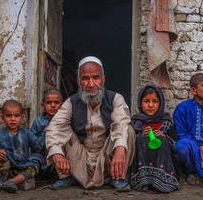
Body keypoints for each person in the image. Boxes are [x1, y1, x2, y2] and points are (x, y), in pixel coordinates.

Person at [45, 56, 135, 191]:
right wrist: (57, 153)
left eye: (96, 78)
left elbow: (120, 123)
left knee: (127, 130)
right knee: (59, 131)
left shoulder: (115, 98)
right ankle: (66, 177)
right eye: (85, 78)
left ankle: (118, 177)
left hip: (107, 157)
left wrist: (120, 150)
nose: (91, 84)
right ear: (79, 82)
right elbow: (55, 128)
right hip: (80, 158)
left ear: (103, 80)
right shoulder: (71, 102)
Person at [0, 100, 45, 193]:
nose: (13, 119)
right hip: (8, 169)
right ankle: (3, 181)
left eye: (16, 116)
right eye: (8, 116)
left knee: (36, 164)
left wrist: (46, 133)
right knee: (2, 155)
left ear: (22, 118)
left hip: (24, 166)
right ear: (2, 117)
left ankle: (10, 183)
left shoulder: (27, 133)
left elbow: (38, 146)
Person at [129, 85, 179, 193]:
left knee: (163, 141)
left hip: (164, 167)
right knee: (139, 141)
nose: (151, 105)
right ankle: (142, 181)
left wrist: (164, 137)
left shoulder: (166, 123)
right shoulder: (135, 123)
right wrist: (140, 136)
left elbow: (176, 147)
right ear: (140, 103)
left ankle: (162, 182)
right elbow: (130, 146)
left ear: (160, 103)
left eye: (155, 101)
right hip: (141, 167)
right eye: (146, 101)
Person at [30, 88, 63, 177]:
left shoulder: (65, 121)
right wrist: (46, 131)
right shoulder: (38, 122)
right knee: (33, 161)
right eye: (49, 103)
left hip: (60, 157)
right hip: (42, 157)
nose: (53, 105)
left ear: (62, 104)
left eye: (56, 102)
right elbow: (35, 146)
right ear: (42, 105)